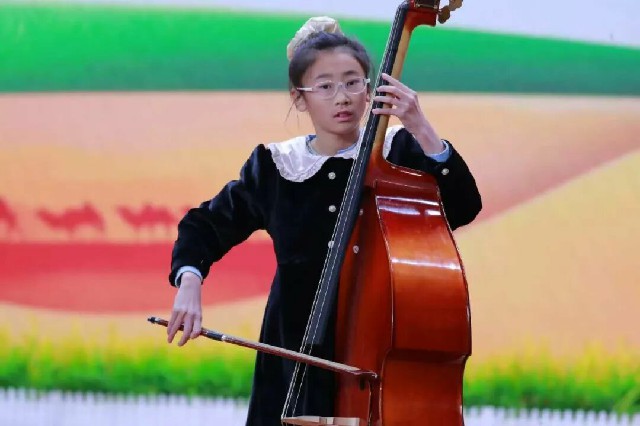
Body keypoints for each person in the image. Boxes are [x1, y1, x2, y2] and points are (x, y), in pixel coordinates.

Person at [165, 16, 482, 426]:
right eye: (325, 86)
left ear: (369, 90)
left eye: (353, 83)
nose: (342, 98)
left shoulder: (399, 151)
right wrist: (189, 281)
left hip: (377, 364)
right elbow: (204, 225)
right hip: (294, 361)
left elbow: (463, 206)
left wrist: (420, 125)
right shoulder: (278, 166)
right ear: (299, 98)